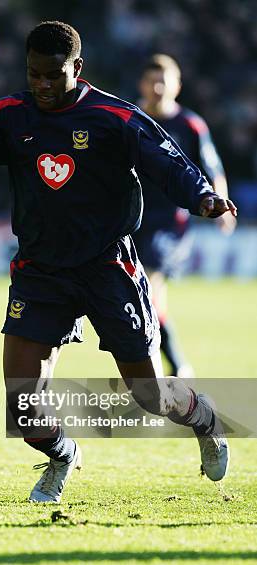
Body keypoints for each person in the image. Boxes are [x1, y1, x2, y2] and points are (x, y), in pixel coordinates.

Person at [0, 21, 237, 503]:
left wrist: (202, 196)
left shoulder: (113, 116)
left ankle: (202, 416)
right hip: (40, 271)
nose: (43, 85)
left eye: (54, 75)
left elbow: (166, 159)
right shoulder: (11, 115)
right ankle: (62, 455)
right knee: (22, 409)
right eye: (35, 74)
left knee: (149, 396)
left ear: (77, 67)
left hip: (107, 267)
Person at [133, 54, 236, 376]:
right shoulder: (130, 120)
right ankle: (176, 366)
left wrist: (220, 204)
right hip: (130, 221)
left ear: (178, 85)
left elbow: (212, 169)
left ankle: (162, 370)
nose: (158, 87)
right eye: (153, 80)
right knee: (141, 297)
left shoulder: (189, 125)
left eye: (165, 80)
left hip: (170, 224)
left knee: (147, 290)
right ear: (143, 85)